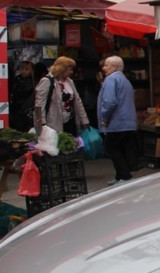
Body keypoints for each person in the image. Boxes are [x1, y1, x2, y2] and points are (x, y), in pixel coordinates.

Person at [97, 56, 138, 185]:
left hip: (116, 121)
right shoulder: (124, 80)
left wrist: (104, 117)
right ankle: (120, 176)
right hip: (127, 121)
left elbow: (109, 101)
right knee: (121, 148)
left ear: (114, 67)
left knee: (110, 148)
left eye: (106, 65)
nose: (104, 68)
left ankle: (125, 176)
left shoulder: (111, 79)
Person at [33, 56, 90, 137]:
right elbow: (39, 105)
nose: (72, 72)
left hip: (70, 121)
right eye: (70, 69)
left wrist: (84, 120)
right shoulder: (47, 81)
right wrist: (40, 126)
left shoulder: (69, 81)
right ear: (62, 69)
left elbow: (77, 101)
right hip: (53, 123)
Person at [10, 61, 36, 132]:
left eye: (26, 69)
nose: (23, 71)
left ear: (31, 71)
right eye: (21, 69)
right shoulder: (17, 79)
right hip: (16, 109)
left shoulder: (32, 81)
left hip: (26, 110)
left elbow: (25, 92)